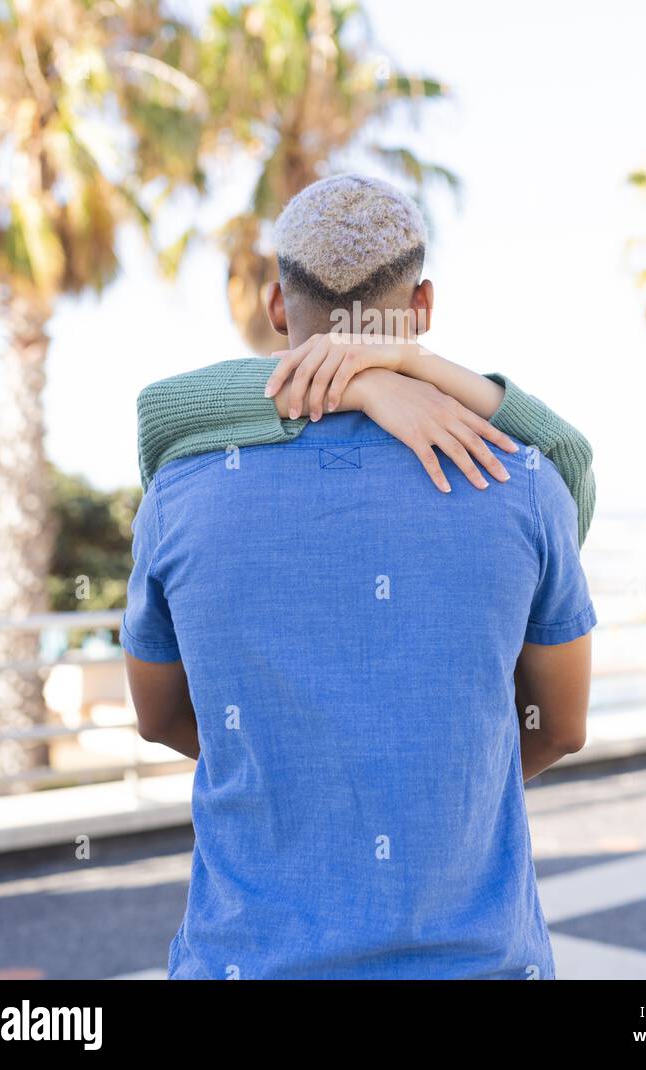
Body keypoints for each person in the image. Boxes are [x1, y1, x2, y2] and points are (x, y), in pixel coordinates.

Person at [122, 174, 597, 980]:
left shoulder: (180, 492)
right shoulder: (524, 484)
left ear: (277, 306)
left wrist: (294, 775)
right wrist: (438, 784)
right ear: (423, 307)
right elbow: (559, 727)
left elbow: (160, 718)